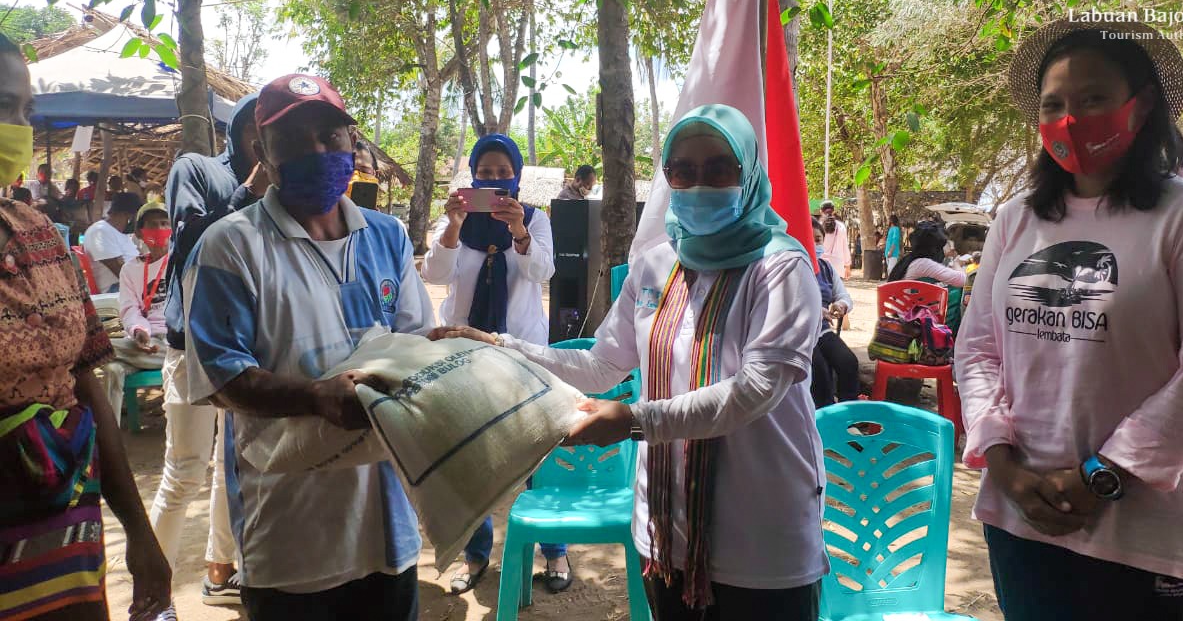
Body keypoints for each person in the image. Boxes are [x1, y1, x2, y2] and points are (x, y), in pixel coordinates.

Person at [434, 104, 827, 620]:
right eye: (682, 171)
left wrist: (634, 421)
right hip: (667, 529)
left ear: (749, 174)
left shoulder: (781, 267)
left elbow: (756, 389)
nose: (699, 185)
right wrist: (503, 346)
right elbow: (602, 365)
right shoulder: (655, 264)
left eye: (719, 169)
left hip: (762, 536)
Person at [956, 20, 1183, 621]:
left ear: (1141, 107)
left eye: (1092, 99)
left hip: (1141, 535)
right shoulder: (1017, 219)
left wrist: (1102, 474)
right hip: (1021, 515)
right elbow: (978, 348)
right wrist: (1004, 464)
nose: (1070, 119)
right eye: (1053, 105)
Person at [182, 73, 435, 620]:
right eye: (294, 139)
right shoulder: (230, 246)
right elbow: (221, 377)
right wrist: (315, 397)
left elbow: (415, 346)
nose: (317, 151)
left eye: (329, 135)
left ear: (352, 140)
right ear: (261, 152)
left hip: (388, 528)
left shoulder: (387, 236)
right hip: (288, 540)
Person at [0, 30, 172, 621]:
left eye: (25, 111)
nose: (17, 127)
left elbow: (86, 381)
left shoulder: (38, 234)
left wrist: (140, 533)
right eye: (3, 107)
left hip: (67, 540)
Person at [422, 133, 569, 594]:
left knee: (540, 450)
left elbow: (543, 272)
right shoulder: (455, 219)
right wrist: (452, 226)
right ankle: (475, 555)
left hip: (522, 351)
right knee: (471, 456)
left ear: (517, 175)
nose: (494, 179)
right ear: (472, 176)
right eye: (484, 172)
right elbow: (434, 273)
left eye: (503, 172)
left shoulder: (536, 219)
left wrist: (519, 232)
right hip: (463, 352)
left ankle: (555, 550)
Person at [157, 90, 271, 606]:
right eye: (256, 128)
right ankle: (152, 592)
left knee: (236, 467)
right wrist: (248, 193)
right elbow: (188, 243)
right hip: (193, 347)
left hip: (248, 347)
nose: (264, 140)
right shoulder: (196, 169)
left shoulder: (280, 190)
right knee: (184, 471)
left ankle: (219, 570)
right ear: (239, 129)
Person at [101, 203, 171, 423]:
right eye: (152, 225)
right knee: (112, 369)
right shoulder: (131, 269)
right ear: (140, 232)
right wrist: (139, 330)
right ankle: (111, 432)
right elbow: (130, 308)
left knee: (97, 347)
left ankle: (92, 349)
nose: (159, 230)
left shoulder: (180, 261)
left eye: (164, 224)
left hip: (172, 345)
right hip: (140, 345)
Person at [809, 217, 861, 408]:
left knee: (848, 362)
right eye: (809, 239)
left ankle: (849, 413)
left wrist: (841, 305)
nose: (814, 244)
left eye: (818, 240)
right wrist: (816, 311)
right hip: (799, 333)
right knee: (819, 370)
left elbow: (844, 296)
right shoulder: (790, 268)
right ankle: (823, 415)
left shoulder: (826, 268)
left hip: (822, 331)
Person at [887, 223, 966, 330]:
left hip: (902, 317)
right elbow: (962, 280)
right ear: (934, 248)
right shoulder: (923, 263)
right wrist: (957, 263)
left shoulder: (910, 260)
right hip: (913, 323)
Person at [83, 191, 143, 292]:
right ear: (128, 216)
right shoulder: (100, 232)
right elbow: (121, 271)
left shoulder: (119, 233)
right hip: (117, 287)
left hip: (130, 283)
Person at [818, 201, 851, 279]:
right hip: (838, 266)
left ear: (821, 211)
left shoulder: (818, 226)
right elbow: (845, 247)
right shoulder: (841, 226)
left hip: (822, 265)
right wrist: (847, 266)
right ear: (834, 211)